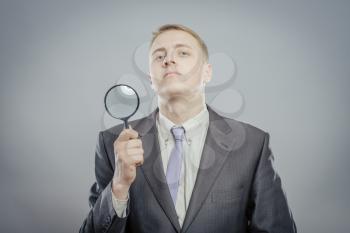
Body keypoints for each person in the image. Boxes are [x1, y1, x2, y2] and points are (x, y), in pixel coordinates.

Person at [79, 24, 297, 233]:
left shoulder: (253, 144)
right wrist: (119, 185)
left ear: (207, 72)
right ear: (150, 80)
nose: (169, 60)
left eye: (182, 53)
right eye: (159, 56)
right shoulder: (113, 143)